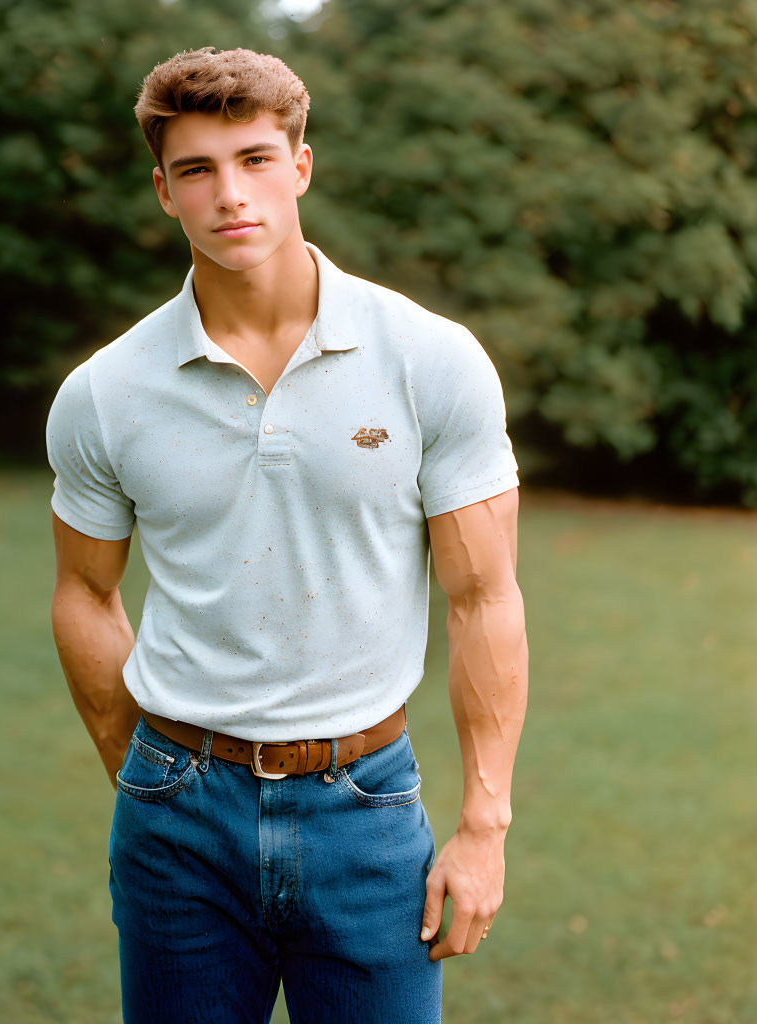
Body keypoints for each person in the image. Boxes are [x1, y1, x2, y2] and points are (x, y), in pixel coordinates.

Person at [46, 45, 528, 1024]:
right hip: (176, 814)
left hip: (366, 811)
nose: (231, 193)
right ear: (163, 192)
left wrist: (485, 821)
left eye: (255, 159)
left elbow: (482, 598)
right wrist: (140, 774)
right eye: (197, 169)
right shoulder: (105, 392)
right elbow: (83, 593)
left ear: (300, 166)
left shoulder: (429, 360)